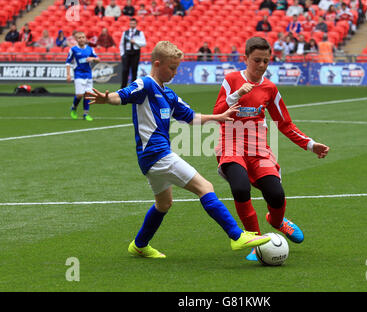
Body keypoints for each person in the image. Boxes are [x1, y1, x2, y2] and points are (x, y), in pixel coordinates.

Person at [85, 41, 271, 259]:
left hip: (152, 157)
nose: (175, 72)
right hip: (157, 154)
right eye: (171, 68)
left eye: (177, 68)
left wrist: (218, 117)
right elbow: (122, 95)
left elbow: (190, 117)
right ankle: (236, 235)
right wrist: (107, 99)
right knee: (205, 187)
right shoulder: (145, 84)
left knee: (164, 203)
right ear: (157, 64)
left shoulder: (169, 94)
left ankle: (139, 245)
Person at [212, 36, 329, 260]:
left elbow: (284, 123)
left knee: (276, 194)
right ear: (245, 58)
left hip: (258, 149)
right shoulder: (231, 80)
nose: (262, 66)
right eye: (257, 60)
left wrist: (310, 145)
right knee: (240, 188)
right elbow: (217, 113)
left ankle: (276, 222)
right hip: (231, 145)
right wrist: (237, 94)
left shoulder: (270, 88)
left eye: (266, 61)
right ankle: (256, 241)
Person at [66, 31, 100, 121]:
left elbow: (98, 60)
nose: (81, 39)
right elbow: (68, 62)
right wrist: (68, 74)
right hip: (78, 74)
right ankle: (74, 107)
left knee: (88, 95)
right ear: (76, 40)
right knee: (80, 95)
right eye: (79, 38)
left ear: (85, 39)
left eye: (83, 37)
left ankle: (85, 114)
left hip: (88, 74)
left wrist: (92, 59)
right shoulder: (73, 49)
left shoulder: (90, 49)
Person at [119, 18, 147, 88]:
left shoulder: (140, 33)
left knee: (134, 70)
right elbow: (121, 44)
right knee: (125, 70)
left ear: (136, 24)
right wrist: (122, 54)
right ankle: (123, 87)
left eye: (134, 23)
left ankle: (133, 87)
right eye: (131, 23)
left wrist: (135, 42)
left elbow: (144, 43)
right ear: (129, 24)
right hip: (126, 53)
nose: (132, 24)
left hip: (135, 53)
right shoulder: (125, 33)